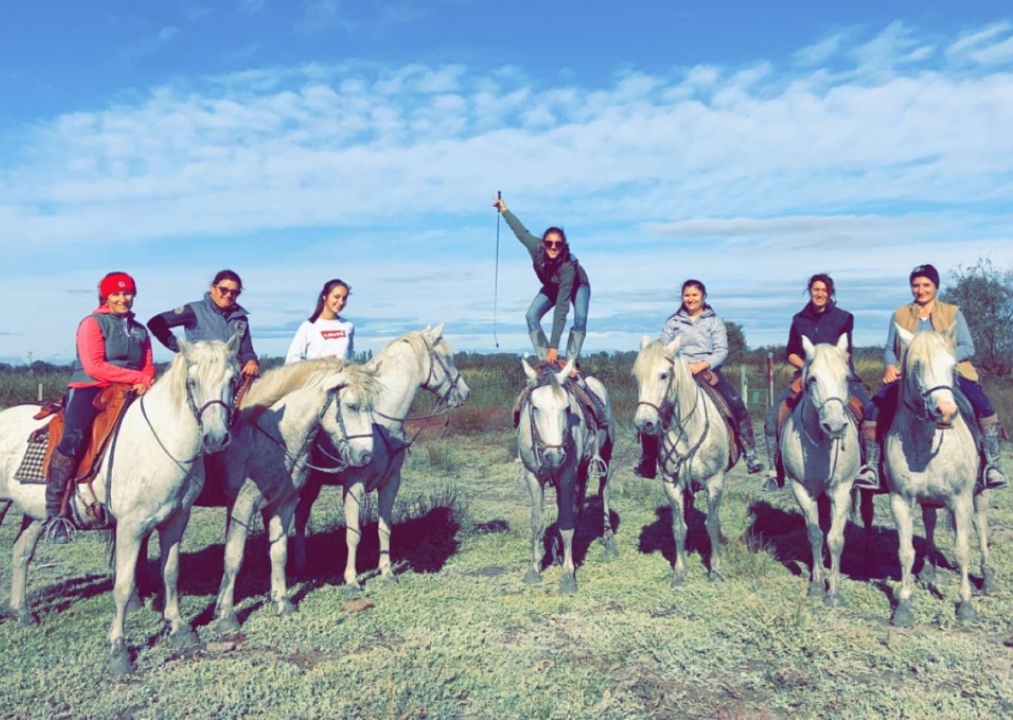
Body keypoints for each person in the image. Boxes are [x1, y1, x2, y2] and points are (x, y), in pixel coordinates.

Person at [855, 263, 1008, 492]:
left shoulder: (952, 312)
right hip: (909, 376)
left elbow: (968, 347)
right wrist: (889, 366)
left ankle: (992, 464)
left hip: (948, 373)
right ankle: (872, 467)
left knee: (982, 405)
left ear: (935, 286)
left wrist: (941, 358)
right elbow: (889, 348)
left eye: (926, 285)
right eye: (915, 285)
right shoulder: (899, 314)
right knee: (872, 409)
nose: (920, 290)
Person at [42, 272, 156, 543]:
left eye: (127, 293)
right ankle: (55, 512)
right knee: (74, 437)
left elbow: (148, 364)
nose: (122, 299)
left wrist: (146, 380)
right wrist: (138, 378)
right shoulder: (92, 324)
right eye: (115, 294)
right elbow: (94, 366)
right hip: (90, 388)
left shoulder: (140, 329)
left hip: (129, 389)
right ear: (105, 297)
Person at [634, 279, 765, 478]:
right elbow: (663, 349)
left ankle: (750, 452)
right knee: (654, 408)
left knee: (736, 402)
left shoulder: (714, 321)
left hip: (707, 371)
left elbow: (721, 350)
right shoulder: (673, 322)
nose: (691, 299)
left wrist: (703, 364)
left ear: (703, 296)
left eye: (695, 295)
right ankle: (648, 459)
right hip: (679, 373)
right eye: (687, 295)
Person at [760, 274, 871, 492]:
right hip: (807, 375)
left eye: (824, 290)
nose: (819, 294)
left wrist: (831, 368)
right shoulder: (799, 319)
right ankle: (774, 471)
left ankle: (870, 467)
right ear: (810, 291)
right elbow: (791, 352)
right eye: (816, 290)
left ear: (830, 293)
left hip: (839, 375)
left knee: (869, 412)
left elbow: (846, 351)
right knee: (774, 415)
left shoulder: (844, 317)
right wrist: (808, 369)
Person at [493, 194, 591, 363]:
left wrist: (554, 345)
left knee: (580, 318)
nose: (553, 247)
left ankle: (571, 362)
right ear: (544, 243)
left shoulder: (567, 267)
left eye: (558, 244)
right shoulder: (536, 247)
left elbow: (561, 308)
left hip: (577, 286)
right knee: (531, 315)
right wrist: (503, 210)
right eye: (549, 243)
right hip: (552, 286)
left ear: (563, 246)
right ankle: (546, 360)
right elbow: (520, 232)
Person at [147, 269, 259, 378]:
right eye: (224, 290)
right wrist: (185, 350)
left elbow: (246, 350)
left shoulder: (241, 318)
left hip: (230, 376)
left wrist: (251, 361)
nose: (229, 295)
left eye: (234, 292)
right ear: (213, 289)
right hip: (201, 377)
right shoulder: (194, 310)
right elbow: (156, 323)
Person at [285, 279, 355, 364]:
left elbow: (350, 356)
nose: (341, 302)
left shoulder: (348, 326)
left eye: (344, 298)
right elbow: (291, 359)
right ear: (325, 296)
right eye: (336, 297)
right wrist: (320, 363)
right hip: (318, 376)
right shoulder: (308, 326)